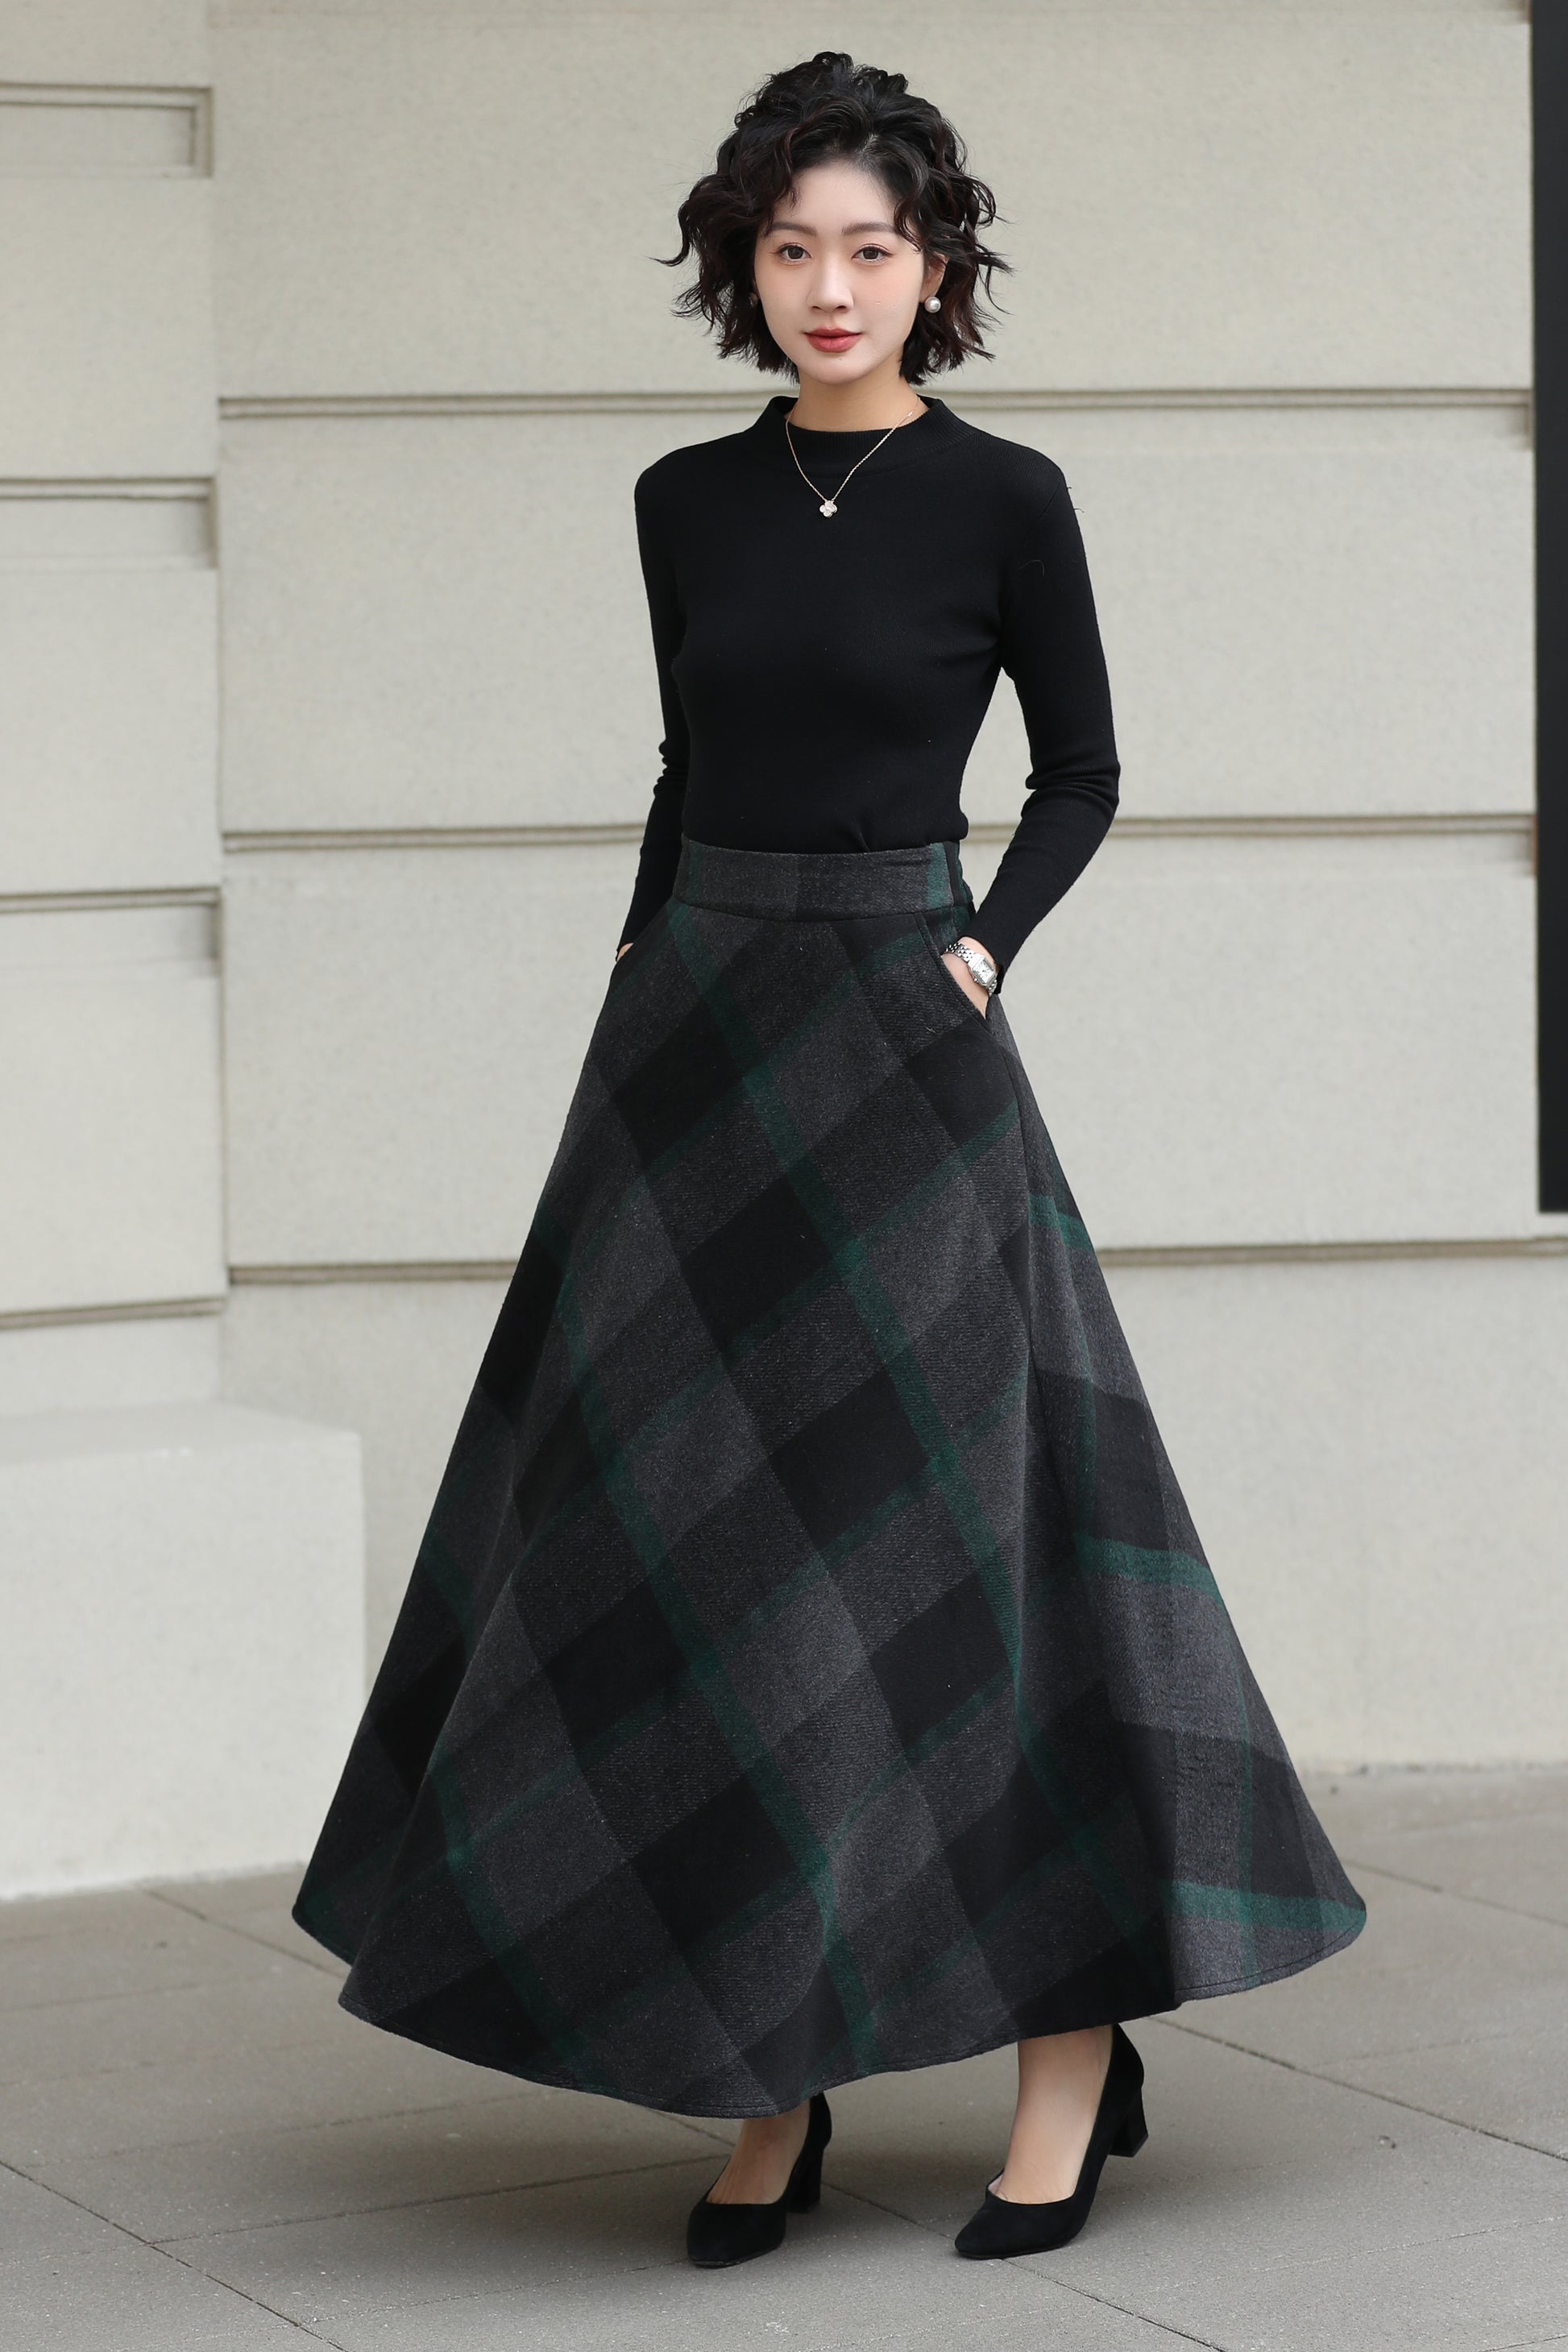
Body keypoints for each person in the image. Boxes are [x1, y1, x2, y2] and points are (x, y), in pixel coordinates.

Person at [292, 49, 1367, 2272]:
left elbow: (1081, 772)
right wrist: (634, 986)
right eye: (791, 249)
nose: (830, 285)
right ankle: (766, 2074)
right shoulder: (682, 500)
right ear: (743, 270)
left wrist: (982, 946)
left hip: (901, 1038)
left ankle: (1066, 2059)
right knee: (711, 1576)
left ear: (936, 265)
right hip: (695, 1050)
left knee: (968, 1559)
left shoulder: (1005, 497)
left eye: (870, 246)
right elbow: (686, 766)